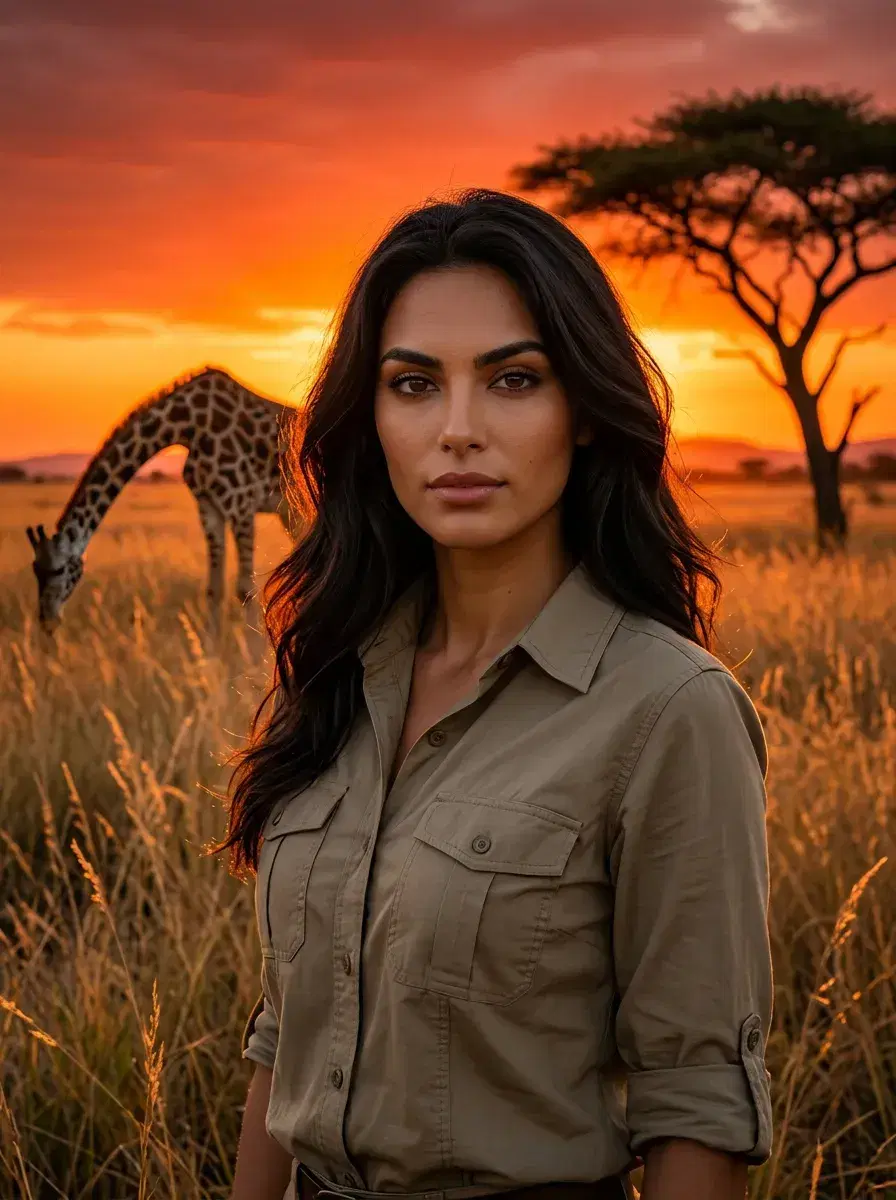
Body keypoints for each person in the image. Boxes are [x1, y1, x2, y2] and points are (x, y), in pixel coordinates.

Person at [220, 187, 773, 1200]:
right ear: (370, 417)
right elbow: (283, 1038)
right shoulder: (340, 670)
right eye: (413, 384)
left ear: (585, 412)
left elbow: (696, 1103)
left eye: (514, 379)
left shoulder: (667, 709)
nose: (458, 430)